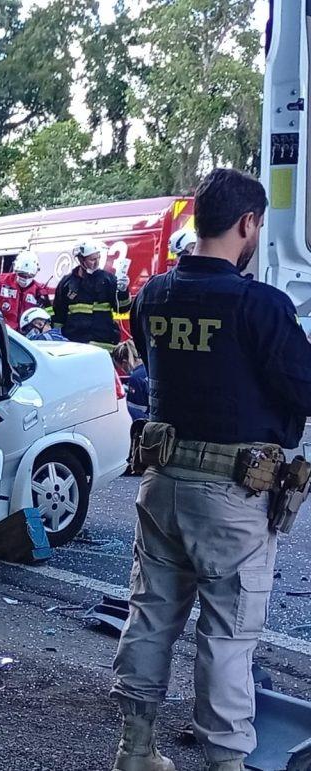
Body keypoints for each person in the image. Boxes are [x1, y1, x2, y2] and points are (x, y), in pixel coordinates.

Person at [111, 168, 311, 771]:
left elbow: (158, 368)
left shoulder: (154, 295)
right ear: (248, 223)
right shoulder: (261, 305)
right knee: (227, 635)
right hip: (232, 498)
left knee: (150, 615)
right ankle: (225, 763)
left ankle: (135, 751)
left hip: (162, 484)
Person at [51, 239, 130, 349]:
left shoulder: (108, 280)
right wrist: (57, 340)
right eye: (92, 259)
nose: (97, 262)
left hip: (103, 343)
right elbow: (59, 315)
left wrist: (123, 291)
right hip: (74, 344)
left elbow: (122, 309)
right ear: (80, 259)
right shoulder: (67, 283)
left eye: (98, 258)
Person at [0, 250, 50, 328]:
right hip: (2, 330)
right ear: (16, 271)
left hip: (26, 333)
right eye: (22, 274)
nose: (25, 278)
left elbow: (50, 314)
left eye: (30, 276)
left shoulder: (40, 291)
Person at [112, 340, 148, 420]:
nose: (123, 370)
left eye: (121, 367)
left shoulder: (135, 378)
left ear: (124, 362)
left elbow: (137, 411)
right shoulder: (148, 368)